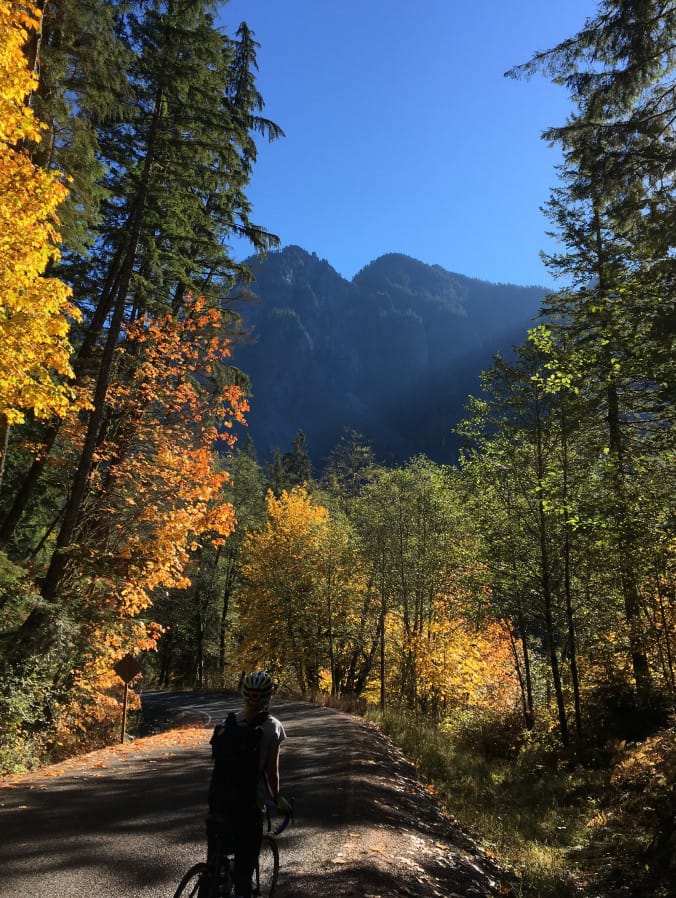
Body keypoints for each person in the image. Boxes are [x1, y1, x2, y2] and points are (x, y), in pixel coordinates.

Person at [204, 671, 290, 898]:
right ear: (268, 696)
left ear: (245, 694)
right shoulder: (273, 727)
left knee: (215, 863)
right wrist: (277, 797)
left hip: (218, 800)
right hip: (249, 805)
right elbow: (272, 772)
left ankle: (211, 881)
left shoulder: (230, 722)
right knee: (244, 873)